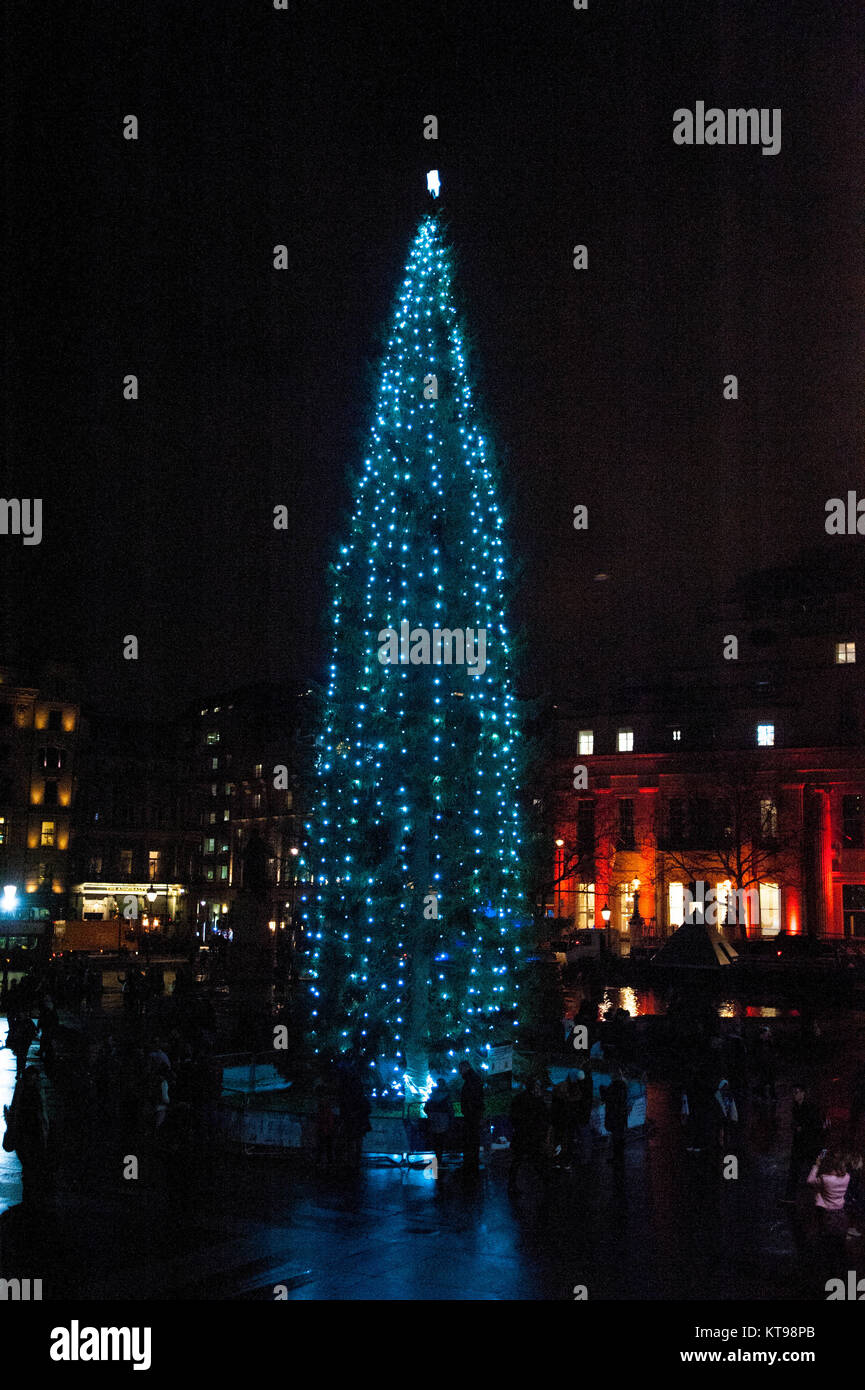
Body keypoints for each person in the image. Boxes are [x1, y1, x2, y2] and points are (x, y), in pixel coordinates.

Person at [782, 1084, 827, 1203]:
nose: (794, 1095)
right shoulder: (796, 1107)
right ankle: (790, 1196)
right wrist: (796, 1127)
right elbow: (795, 1123)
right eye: (793, 1093)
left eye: (797, 1092)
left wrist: (802, 1128)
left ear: (803, 1093)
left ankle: (820, 1196)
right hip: (800, 1144)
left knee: (813, 1169)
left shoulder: (810, 1107)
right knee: (795, 1169)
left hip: (810, 1144)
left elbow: (816, 1125)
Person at [807, 1149, 850, 1270]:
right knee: (839, 1243)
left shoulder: (825, 1179)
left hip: (828, 1214)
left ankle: (826, 1268)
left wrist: (816, 1165)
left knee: (826, 1240)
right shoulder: (847, 1177)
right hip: (841, 1214)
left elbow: (809, 1181)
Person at [508, 1078, 550, 1195]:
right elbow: (544, 1117)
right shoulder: (537, 1100)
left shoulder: (519, 1099)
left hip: (523, 1135)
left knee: (519, 1160)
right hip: (531, 1135)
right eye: (537, 1085)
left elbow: (513, 1116)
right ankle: (546, 1183)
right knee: (536, 1159)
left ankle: (512, 1185)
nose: (538, 1087)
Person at [458, 1060, 484, 1177]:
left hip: (471, 1115)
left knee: (470, 1140)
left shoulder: (470, 1081)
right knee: (472, 1140)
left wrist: (469, 1111)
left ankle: (470, 1163)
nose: (459, 1072)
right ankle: (472, 1162)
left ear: (465, 1068)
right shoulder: (474, 1079)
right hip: (473, 1114)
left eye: (460, 1069)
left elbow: (472, 1098)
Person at [600, 1067, 629, 1164]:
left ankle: (617, 1158)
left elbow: (609, 1098)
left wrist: (603, 1090)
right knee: (618, 1137)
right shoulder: (623, 1085)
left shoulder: (616, 1086)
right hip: (620, 1115)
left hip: (615, 1115)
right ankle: (619, 1158)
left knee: (616, 1138)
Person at [424, 1078, 453, 1171]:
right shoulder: (447, 1095)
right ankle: (439, 1159)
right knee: (442, 1138)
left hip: (434, 1118)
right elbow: (450, 1107)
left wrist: (430, 1114)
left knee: (436, 1139)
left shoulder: (433, 1095)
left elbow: (426, 1107)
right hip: (443, 1118)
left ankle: (437, 1158)